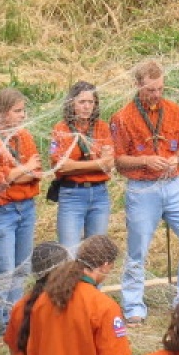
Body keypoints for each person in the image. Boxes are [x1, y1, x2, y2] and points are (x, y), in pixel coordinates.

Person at [111, 60, 179, 321]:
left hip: (173, 185)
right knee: (137, 249)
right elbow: (118, 160)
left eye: (160, 89)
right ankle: (133, 306)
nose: (156, 95)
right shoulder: (122, 117)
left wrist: (177, 158)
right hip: (142, 188)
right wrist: (145, 160)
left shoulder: (173, 110)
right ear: (138, 85)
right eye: (151, 90)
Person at [0, 88, 42, 338]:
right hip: (1, 211)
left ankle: (12, 322)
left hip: (26, 207)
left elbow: (37, 171)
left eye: (23, 110)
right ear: (2, 113)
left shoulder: (23, 136)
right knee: (4, 269)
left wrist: (18, 174)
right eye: (17, 111)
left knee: (22, 269)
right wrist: (21, 171)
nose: (23, 116)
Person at [50, 81, 116, 249]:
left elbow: (108, 163)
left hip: (99, 194)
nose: (87, 107)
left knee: (96, 252)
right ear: (72, 103)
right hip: (72, 194)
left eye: (90, 102)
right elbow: (61, 166)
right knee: (69, 251)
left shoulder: (102, 128)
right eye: (82, 102)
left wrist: (76, 165)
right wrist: (98, 163)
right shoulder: (61, 129)